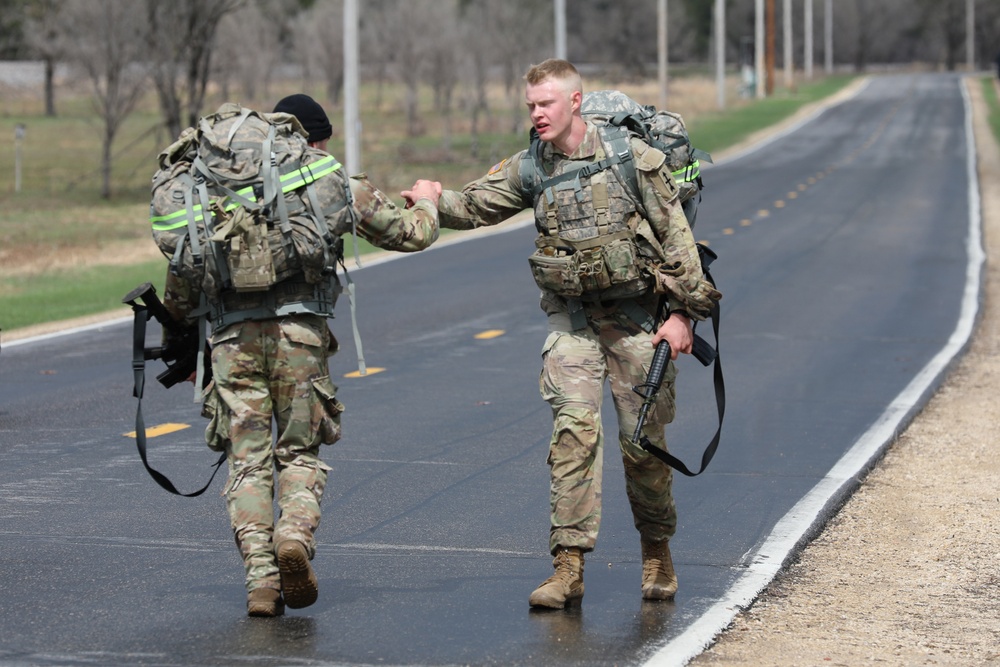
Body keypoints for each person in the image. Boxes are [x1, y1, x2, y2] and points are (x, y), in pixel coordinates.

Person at [407, 59, 721, 609]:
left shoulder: (631, 159)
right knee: (573, 434)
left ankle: (657, 552)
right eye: (530, 105)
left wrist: (682, 317)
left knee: (640, 444)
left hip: (638, 320)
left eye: (545, 104)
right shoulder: (533, 164)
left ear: (574, 102)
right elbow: (477, 205)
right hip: (574, 321)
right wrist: (432, 199)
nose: (536, 114)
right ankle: (568, 568)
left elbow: (680, 242)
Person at [162, 93, 441, 617]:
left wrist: (180, 321)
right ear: (315, 139)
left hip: (229, 341)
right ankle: (292, 536)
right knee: (300, 450)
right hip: (299, 338)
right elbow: (414, 233)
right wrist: (426, 197)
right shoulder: (323, 177)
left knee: (246, 460)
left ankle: (262, 582)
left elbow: (182, 276)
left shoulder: (214, 186)